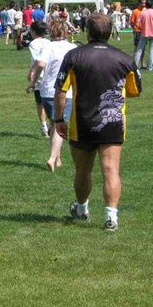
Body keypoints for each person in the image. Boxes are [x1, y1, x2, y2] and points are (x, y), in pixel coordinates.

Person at [54, 13, 141, 231]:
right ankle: (111, 217)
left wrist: (57, 119)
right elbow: (135, 91)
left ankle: (82, 209)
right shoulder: (125, 58)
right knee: (111, 169)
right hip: (112, 121)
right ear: (110, 33)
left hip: (82, 121)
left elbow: (60, 90)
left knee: (83, 170)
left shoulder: (73, 56)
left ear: (87, 31)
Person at [28, 20, 77, 172]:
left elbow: (41, 64)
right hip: (65, 91)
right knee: (59, 125)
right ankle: (52, 157)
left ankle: (58, 159)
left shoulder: (48, 46)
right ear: (66, 32)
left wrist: (33, 83)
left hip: (47, 91)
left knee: (54, 123)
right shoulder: (73, 48)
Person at [27, 21, 51, 138]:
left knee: (40, 102)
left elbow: (37, 60)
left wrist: (31, 71)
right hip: (50, 74)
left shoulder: (33, 43)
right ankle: (52, 125)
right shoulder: (48, 42)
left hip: (39, 75)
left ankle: (44, 127)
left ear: (33, 31)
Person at [133, 0, 153, 71]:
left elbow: (137, 24)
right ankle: (150, 67)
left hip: (144, 33)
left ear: (146, 5)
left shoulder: (143, 13)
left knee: (139, 50)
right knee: (151, 50)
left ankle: (135, 66)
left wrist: (143, 28)